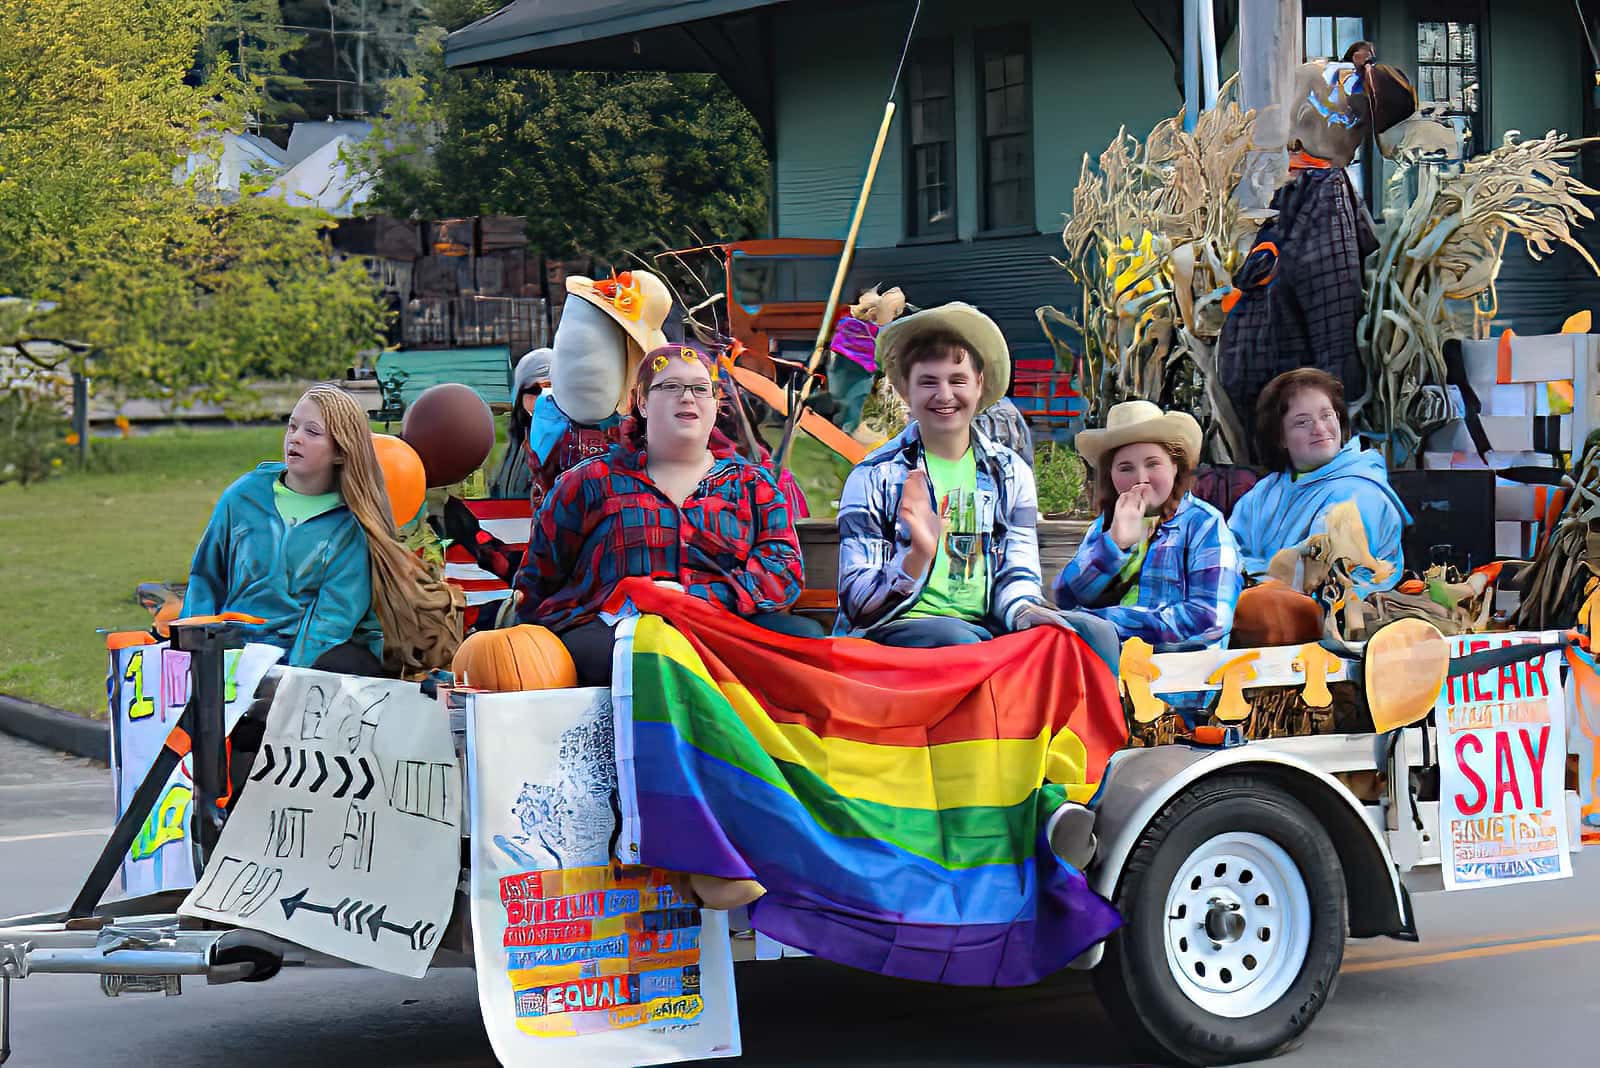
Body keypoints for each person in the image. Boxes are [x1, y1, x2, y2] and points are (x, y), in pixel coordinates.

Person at [833, 302, 1121, 667]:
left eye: (957, 380)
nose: (944, 394)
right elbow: (857, 603)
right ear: (905, 389)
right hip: (897, 629)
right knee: (960, 640)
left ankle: (1094, 727)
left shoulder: (1009, 471)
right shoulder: (874, 475)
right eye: (928, 382)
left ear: (979, 384)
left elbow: (1018, 570)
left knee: (1096, 634)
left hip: (989, 626)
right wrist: (915, 557)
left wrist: (1025, 612)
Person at [515, 344, 820, 686]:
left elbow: (783, 570)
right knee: (647, 657)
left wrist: (692, 598)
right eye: (670, 386)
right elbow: (538, 579)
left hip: (724, 626)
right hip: (615, 640)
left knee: (804, 639)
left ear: (715, 404)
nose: (687, 397)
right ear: (642, 402)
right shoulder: (588, 482)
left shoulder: (752, 485)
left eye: (700, 388)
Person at [183, 386, 464, 675]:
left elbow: (329, 625)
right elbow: (205, 576)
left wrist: (279, 684)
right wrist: (194, 651)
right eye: (292, 426)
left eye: (312, 432)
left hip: (304, 666)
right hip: (229, 653)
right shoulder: (243, 496)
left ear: (341, 451)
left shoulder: (351, 528)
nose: (295, 437)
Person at [1054, 400, 1242, 650]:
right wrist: (1114, 544)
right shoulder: (1107, 524)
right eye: (1126, 468)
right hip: (1107, 666)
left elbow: (1210, 618)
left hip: (1178, 675)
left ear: (1175, 467)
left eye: (1153, 464)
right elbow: (1066, 596)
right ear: (1111, 475)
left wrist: (1107, 625)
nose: (1141, 479)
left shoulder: (1204, 524)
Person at [1228, 368, 1410, 597]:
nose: (1320, 429)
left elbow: (1318, 577)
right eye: (1303, 422)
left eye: (1326, 416)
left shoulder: (1359, 492)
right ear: (1281, 436)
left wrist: (1251, 573)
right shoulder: (1265, 492)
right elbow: (1223, 554)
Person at [489, 347, 552, 500]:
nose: (542, 399)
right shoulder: (513, 439)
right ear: (519, 396)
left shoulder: (572, 444)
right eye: (534, 390)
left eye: (551, 388)